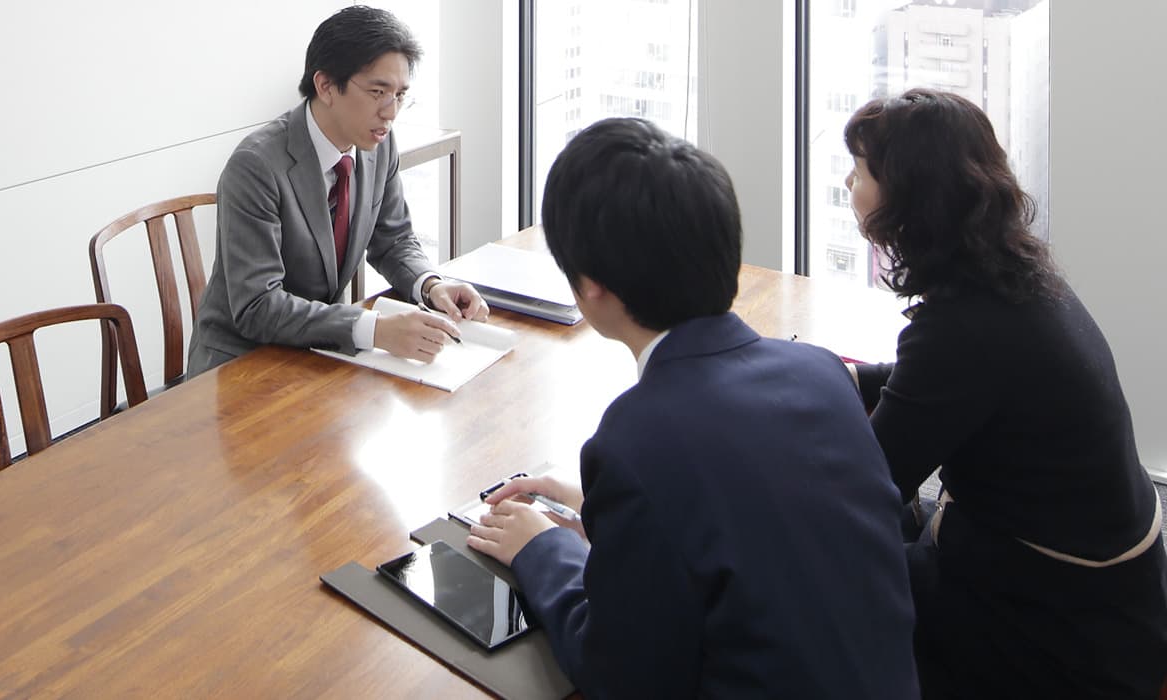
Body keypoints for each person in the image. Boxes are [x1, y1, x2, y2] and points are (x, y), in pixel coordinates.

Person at [466, 117, 919, 698]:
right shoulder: (821, 373)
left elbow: (619, 674)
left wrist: (542, 549)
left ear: (589, 285)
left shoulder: (637, 441)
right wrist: (610, 511)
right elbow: (759, 519)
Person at [841, 87, 1167, 698]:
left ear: (907, 198)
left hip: (1064, 627)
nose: (848, 186)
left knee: (816, 579)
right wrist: (852, 378)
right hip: (1118, 589)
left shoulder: (961, 330)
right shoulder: (1016, 279)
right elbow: (940, 389)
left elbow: (868, 485)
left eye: (859, 173)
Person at [186, 5, 487, 375]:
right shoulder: (257, 165)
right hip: (241, 363)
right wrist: (374, 329)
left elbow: (393, 240)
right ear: (326, 86)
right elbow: (258, 306)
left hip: (317, 353)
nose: (391, 112)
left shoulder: (378, 146)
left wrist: (431, 285)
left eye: (400, 95)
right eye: (378, 92)